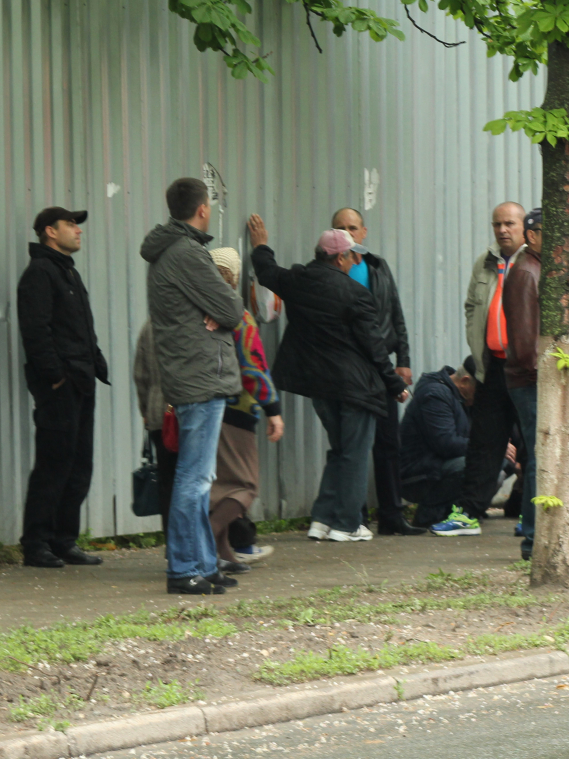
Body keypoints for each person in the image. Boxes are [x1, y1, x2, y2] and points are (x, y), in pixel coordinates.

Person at [248, 215, 409, 542]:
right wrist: (395, 384)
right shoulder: (355, 294)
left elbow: (266, 272)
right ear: (339, 258)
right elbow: (374, 346)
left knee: (340, 450)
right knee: (353, 453)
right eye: (351, 255)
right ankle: (348, 524)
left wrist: (261, 245)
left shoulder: (298, 279)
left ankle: (322, 519)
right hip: (355, 386)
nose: (354, 261)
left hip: (319, 386)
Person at [141, 178, 245, 596]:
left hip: (193, 373)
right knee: (194, 479)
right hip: (198, 375)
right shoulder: (186, 253)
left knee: (200, 477)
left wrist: (216, 310)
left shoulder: (173, 251)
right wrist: (219, 309)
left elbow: (221, 308)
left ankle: (203, 562)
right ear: (202, 209)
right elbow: (233, 307)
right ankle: (185, 568)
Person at [17, 207, 110, 568]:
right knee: (54, 464)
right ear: (49, 232)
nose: (78, 230)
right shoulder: (40, 273)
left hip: (81, 381)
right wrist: (56, 375)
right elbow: (36, 331)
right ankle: (36, 543)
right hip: (60, 386)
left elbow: (80, 327)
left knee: (79, 464)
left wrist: (96, 361)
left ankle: (63, 540)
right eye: (70, 225)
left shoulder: (68, 272)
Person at [432, 202, 526, 536]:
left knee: (532, 442)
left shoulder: (533, 261)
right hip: (492, 368)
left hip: (526, 370)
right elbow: (472, 306)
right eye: (497, 224)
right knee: (484, 444)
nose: (502, 230)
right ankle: (468, 513)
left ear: (523, 226)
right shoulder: (485, 263)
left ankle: (534, 519)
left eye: (509, 223)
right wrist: (477, 347)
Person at [331, 208, 423, 536]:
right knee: (349, 445)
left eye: (352, 228)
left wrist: (405, 359)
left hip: (382, 367)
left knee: (388, 442)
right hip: (348, 370)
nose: (347, 233)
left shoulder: (377, 267)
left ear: (363, 232)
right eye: (340, 228)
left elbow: (396, 313)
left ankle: (392, 515)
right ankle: (351, 516)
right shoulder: (329, 271)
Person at [208, 247, 284, 571]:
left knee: (220, 484)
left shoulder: (197, 309)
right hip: (236, 410)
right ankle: (206, 540)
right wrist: (272, 408)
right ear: (235, 275)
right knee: (245, 485)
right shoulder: (237, 313)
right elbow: (252, 367)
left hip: (204, 407)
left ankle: (223, 553)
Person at [502, 207, 542, 560]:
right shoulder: (527, 272)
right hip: (529, 379)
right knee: (538, 457)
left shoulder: (536, 268)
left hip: (530, 377)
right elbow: (527, 340)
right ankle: (531, 538)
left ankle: (535, 535)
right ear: (532, 236)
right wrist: (538, 374)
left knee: (538, 456)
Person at [399, 357, 477, 528]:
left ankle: (458, 512)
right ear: (464, 381)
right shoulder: (435, 395)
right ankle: (429, 514)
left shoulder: (462, 397)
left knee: (500, 462)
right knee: (479, 463)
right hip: (418, 473)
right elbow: (446, 443)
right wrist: (487, 447)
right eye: (479, 391)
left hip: (437, 466)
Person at [133, 318, 177, 538]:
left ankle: (173, 548)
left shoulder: (149, 326)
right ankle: (194, 550)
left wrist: (145, 411)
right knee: (193, 480)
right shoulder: (191, 321)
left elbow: (140, 375)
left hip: (158, 413)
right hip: (186, 414)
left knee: (167, 482)